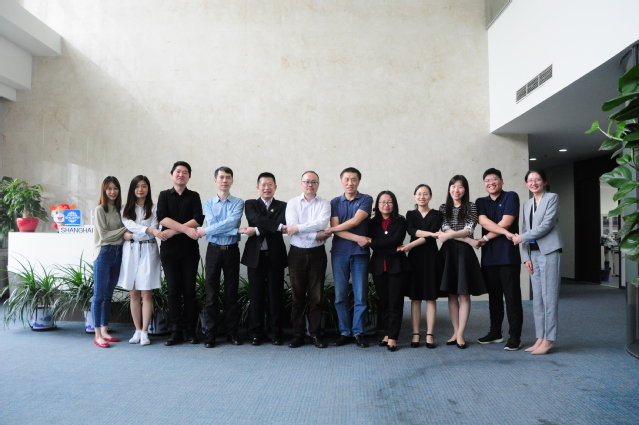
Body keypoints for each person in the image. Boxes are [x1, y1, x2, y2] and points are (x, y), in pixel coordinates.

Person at [511, 169, 563, 355]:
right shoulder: (527, 204)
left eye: (537, 179)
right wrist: (526, 257)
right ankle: (540, 337)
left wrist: (521, 238)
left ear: (544, 182)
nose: (533, 183)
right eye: (530, 180)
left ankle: (549, 340)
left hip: (550, 252)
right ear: (526, 183)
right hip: (533, 254)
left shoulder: (552, 198)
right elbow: (525, 228)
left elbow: (546, 225)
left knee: (549, 297)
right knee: (538, 300)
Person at [475, 168, 524, 351]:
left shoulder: (511, 196)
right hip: (489, 259)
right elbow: (483, 222)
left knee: (512, 299)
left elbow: (507, 222)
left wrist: (485, 238)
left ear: (502, 181)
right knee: (494, 299)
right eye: (487, 180)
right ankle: (495, 332)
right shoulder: (481, 201)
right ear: (484, 184)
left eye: (494, 179)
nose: (491, 183)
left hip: (508, 257)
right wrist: (503, 233)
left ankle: (515, 337)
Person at [157, 161, 204, 346]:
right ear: (172, 175)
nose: (181, 175)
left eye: (185, 172)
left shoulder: (194, 196)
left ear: (189, 176)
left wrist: (173, 231)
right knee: (173, 290)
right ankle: (175, 330)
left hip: (189, 250)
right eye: (178, 171)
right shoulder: (163, 195)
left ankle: (191, 330)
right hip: (169, 251)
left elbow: (198, 219)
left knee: (189, 290)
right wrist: (184, 229)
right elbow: (162, 218)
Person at [436, 175, 486, 349]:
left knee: (464, 294)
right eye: (453, 186)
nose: (456, 190)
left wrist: (463, 237)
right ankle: (455, 332)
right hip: (448, 253)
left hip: (465, 254)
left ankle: (461, 333)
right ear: (449, 188)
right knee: (451, 294)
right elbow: (445, 229)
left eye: (460, 187)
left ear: (465, 190)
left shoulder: (472, 206)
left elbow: (468, 230)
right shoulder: (443, 208)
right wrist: (469, 240)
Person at [197, 166, 244, 348]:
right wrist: (233, 231)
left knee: (232, 293)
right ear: (215, 181)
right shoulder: (208, 203)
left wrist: (208, 230)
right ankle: (211, 334)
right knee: (211, 294)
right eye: (221, 177)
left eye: (228, 177)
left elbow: (231, 222)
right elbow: (221, 225)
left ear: (232, 181)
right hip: (214, 251)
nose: (225, 180)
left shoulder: (238, 202)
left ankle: (232, 332)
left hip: (231, 250)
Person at [239, 172, 288, 346]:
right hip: (255, 257)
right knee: (256, 296)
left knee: (275, 296)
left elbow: (272, 222)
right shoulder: (250, 204)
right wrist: (277, 226)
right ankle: (255, 333)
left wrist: (257, 230)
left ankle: (275, 332)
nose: (267, 188)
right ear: (258, 187)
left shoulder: (283, 205)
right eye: (263, 185)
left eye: (270, 184)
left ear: (275, 187)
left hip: (275, 256)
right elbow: (255, 218)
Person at [327, 167, 373, 348]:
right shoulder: (335, 202)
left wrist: (332, 229)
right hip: (339, 254)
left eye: (354, 179)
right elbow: (338, 230)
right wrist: (358, 238)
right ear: (341, 181)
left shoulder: (366, 199)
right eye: (346, 179)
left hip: (360, 254)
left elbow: (355, 221)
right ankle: (344, 332)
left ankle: (358, 332)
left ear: (358, 181)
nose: (350, 183)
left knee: (360, 295)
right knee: (340, 296)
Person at [285, 171, 332, 349]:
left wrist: (299, 228)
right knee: (297, 297)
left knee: (316, 297)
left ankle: (315, 334)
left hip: (317, 254)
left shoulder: (324, 204)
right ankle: (298, 334)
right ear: (301, 183)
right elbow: (291, 227)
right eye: (306, 182)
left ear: (318, 184)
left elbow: (321, 224)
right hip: (296, 254)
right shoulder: (292, 203)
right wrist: (315, 234)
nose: (309, 185)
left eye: (313, 182)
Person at [118, 175, 165, 346]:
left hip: (148, 250)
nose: (140, 189)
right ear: (132, 189)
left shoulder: (154, 208)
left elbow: (154, 227)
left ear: (148, 188)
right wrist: (148, 230)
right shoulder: (125, 208)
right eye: (137, 186)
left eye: (144, 186)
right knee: (133, 293)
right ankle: (137, 330)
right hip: (130, 251)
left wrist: (135, 234)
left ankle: (145, 331)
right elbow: (130, 225)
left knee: (147, 293)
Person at [398, 184, 443, 349]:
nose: (422, 197)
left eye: (425, 194)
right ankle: (416, 333)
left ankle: (430, 333)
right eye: (419, 194)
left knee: (431, 297)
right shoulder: (410, 214)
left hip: (431, 257)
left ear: (430, 196)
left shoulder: (437, 214)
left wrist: (410, 245)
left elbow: (431, 235)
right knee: (415, 297)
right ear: (414, 196)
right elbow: (411, 230)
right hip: (415, 258)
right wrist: (430, 234)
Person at [92, 176, 133, 348]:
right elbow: (105, 235)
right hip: (104, 253)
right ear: (104, 190)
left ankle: (104, 330)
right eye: (109, 188)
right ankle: (97, 335)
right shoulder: (99, 209)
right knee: (99, 295)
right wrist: (124, 231)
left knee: (109, 295)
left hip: (118, 253)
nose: (112, 191)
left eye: (115, 188)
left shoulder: (119, 210)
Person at [368, 191, 410, 352]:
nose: (386, 205)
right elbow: (373, 244)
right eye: (382, 202)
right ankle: (386, 332)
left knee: (395, 302)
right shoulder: (372, 223)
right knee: (383, 302)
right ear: (377, 205)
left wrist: (378, 243)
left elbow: (397, 240)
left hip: (397, 267)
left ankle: (393, 336)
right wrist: (392, 248)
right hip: (379, 267)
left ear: (394, 204)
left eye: (389, 202)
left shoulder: (400, 220)